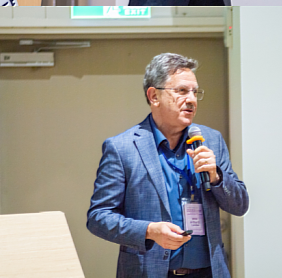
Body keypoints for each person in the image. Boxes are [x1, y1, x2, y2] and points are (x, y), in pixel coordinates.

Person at [87, 53, 249, 278]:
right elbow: (99, 217)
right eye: (182, 91)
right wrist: (149, 231)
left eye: (195, 92)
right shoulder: (122, 148)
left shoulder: (211, 140)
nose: (192, 100)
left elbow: (240, 205)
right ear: (154, 96)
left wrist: (216, 177)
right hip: (149, 272)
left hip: (208, 272)